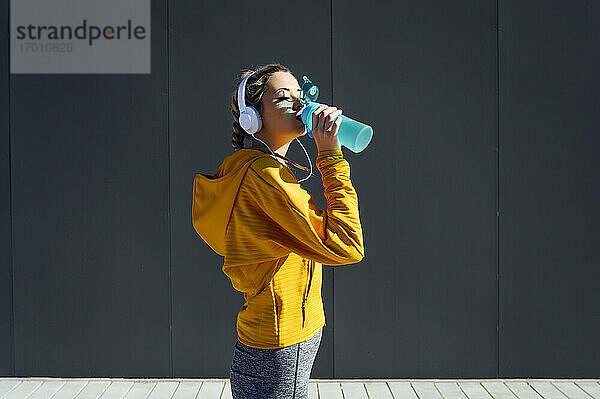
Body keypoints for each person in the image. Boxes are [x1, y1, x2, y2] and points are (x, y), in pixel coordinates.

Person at [191, 63, 365, 398]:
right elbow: (346, 245)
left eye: (301, 95)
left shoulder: (247, 167)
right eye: (284, 98)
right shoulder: (265, 177)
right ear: (252, 118)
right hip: (281, 340)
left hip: (275, 336)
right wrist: (330, 156)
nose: (300, 105)